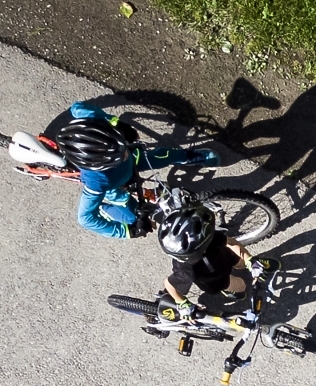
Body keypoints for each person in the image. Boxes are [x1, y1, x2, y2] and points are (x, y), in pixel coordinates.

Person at [50, 102, 219, 240]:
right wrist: (127, 232)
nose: (125, 154)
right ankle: (105, 207)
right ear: (100, 166)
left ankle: (188, 157)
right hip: (116, 189)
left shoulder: (95, 124)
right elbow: (85, 218)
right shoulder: (96, 181)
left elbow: (78, 108)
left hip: (131, 164)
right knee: (133, 218)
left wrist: (117, 123)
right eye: (119, 156)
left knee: (163, 155)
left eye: (122, 150)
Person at [158, 201, 268, 318]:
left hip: (225, 257)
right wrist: (182, 303)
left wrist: (249, 260)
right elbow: (169, 284)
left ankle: (248, 266)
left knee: (241, 263)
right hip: (217, 281)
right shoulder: (185, 270)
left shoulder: (209, 238)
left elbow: (230, 242)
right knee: (242, 286)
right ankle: (227, 289)